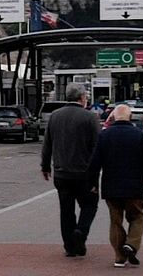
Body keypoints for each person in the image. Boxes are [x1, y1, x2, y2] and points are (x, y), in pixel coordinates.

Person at [88, 104, 143, 267]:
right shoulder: (139, 135)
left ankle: (120, 257)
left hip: (111, 188)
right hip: (134, 188)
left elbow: (94, 163)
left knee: (115, 221)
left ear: (113, 117)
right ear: (130, 117)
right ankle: (131, 244)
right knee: (137, 217)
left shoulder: (105, 136)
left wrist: (93, 184)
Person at [41, 83, 102, 257]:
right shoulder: (90, 117)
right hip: (84, 174)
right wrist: (97, 173)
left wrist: (45, 166)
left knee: (66, 210)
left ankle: (70, 246)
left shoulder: (55, 116)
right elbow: (98, 146)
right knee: (90, 205)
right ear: (82, 98)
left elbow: (47, 145)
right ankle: (80, 233)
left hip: (61, 173)